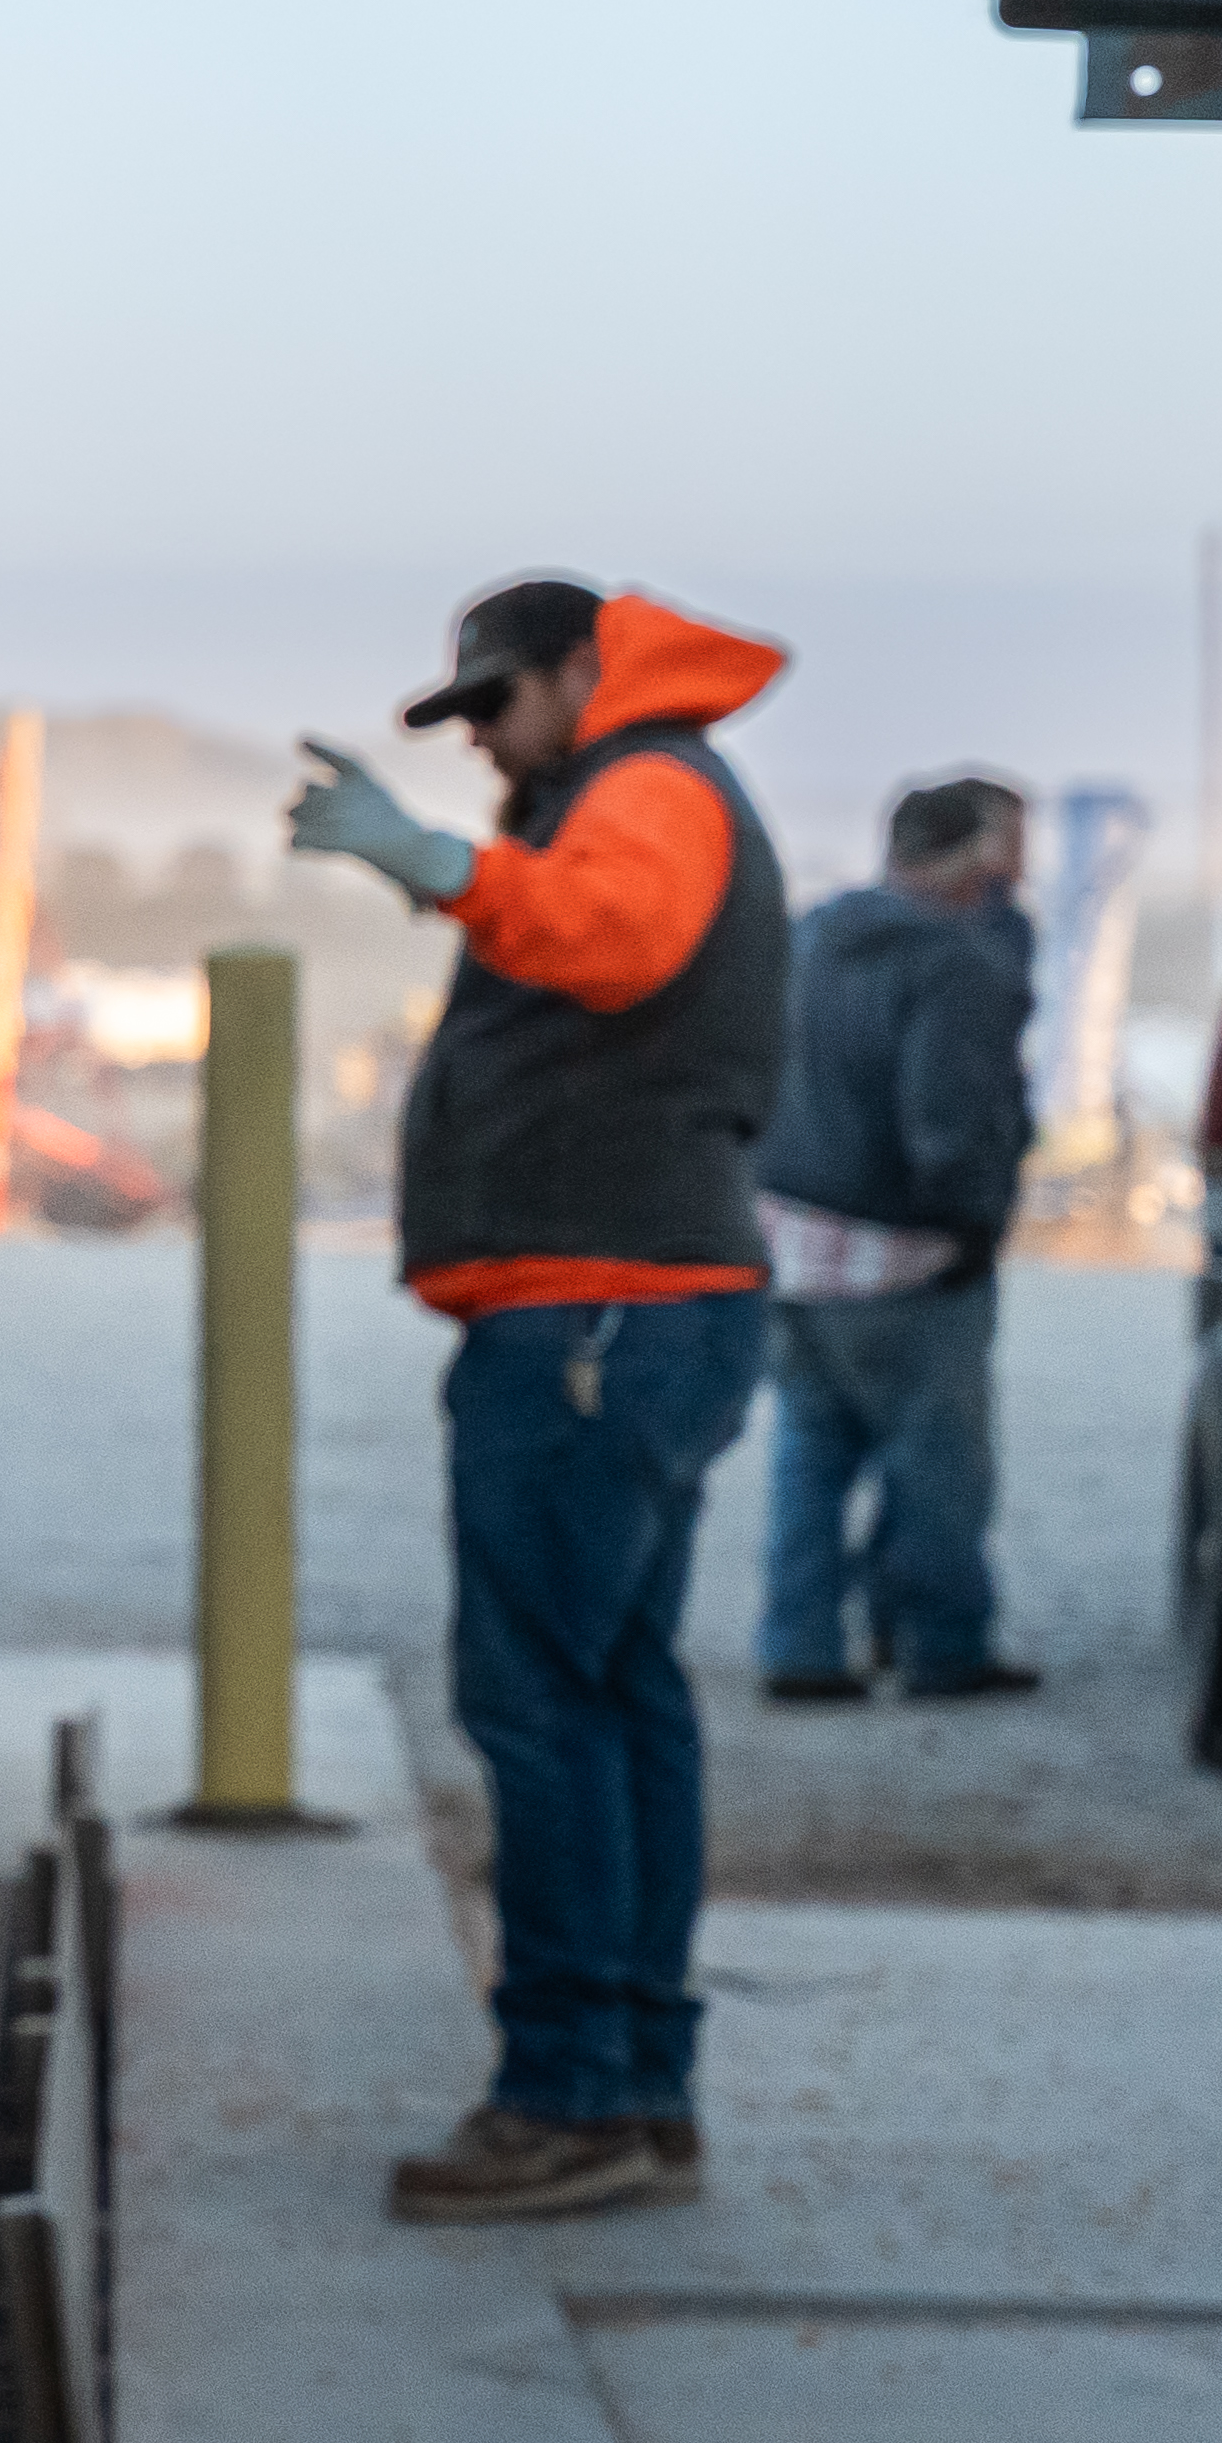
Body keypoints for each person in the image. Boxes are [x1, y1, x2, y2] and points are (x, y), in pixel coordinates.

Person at [284, 574, 795, 2226]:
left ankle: (572, 2093)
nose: (484, 744)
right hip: (626, 1309)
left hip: (592, 1315)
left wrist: (425, 861)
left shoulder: (645, 787)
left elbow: (606, 937)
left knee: (543, 1706)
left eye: (497, 706)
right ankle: (633, 2085)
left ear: (585, 671)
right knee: (609, 1694)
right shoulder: (620, 791)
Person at [753, 776, 1040, 1705]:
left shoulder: (812, 937)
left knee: (809, 1456)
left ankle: (799, 1647)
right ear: (977, 855)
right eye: (1011, 846)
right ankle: (940, 1646)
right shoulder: (953, 964)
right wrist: (973, 1225)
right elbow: (948, 1121)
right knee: (939, 1469)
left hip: (794, 1247)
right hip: (910, 1258)